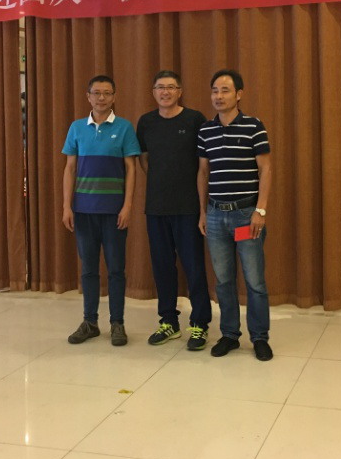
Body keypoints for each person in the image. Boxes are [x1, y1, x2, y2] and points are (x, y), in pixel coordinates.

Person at [197, 69, 274, 361]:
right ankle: (229, 334)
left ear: (239, 94)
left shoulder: (254, 126)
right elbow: (203, 173)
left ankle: (260, 337)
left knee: (254, 280)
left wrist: (260, 210)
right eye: (215, 90)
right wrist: (203, 212)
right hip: (216, 217)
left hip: (245, 216)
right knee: (223, 281)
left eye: (225, 90)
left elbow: (266, 169)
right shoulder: (205, 130)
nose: (219, 96)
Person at [62, 75, 140, 346]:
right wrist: (67, 206)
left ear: (114, 97)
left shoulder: (125, 127)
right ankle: (90, 321)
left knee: (116, 269)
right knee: (89, 269)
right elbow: (70, 168)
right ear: (88, 97)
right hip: (84, 211)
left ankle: (117, 323)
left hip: (114, 211)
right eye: (96, 93)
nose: (101, 98)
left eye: (107, 93)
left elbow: (131, 169)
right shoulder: (76, 128)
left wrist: (127, 205)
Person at [136, 71, 212, 350]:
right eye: (160, 87)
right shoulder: (146, 122)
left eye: (170, 87)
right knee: (162, 268)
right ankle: (168, 321)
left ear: (180, 91)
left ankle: (200, 324)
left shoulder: (195, 120)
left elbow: (204, 165)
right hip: (156, 207)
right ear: (153, 92)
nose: (165, 92)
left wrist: (201, 208)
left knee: (194, 267)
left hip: (188, 207)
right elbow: (145, 161)